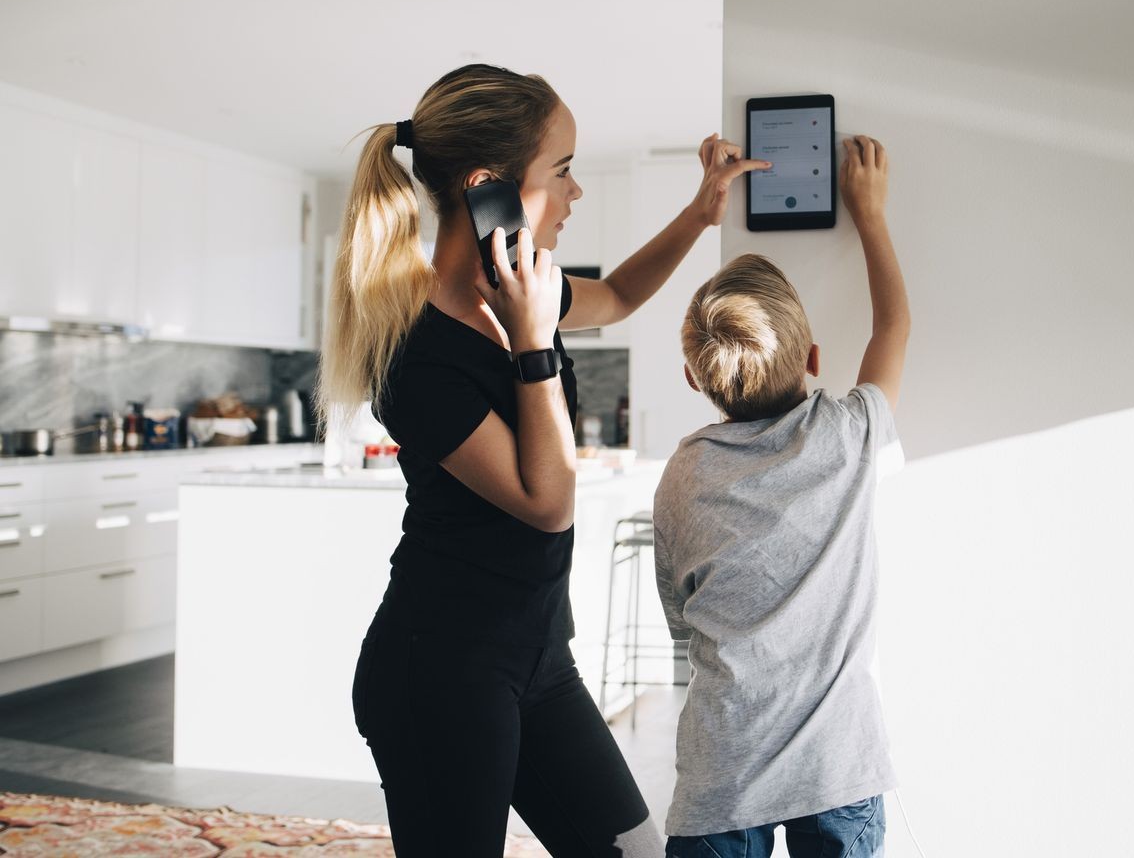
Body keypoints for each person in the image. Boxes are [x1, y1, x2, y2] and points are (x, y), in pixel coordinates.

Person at [318, 63, 767, 857]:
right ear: (490, 188)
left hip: (536, 660)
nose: (574, 193)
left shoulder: (527, 288)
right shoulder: (416, 356)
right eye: (560, 171)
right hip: (440, 672)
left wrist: (701, 214)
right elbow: (547, 499)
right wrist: (531, 343)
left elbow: (623, 293)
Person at [652, 135, 910, 857]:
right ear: (815, 360)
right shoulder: (848, 434)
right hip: (838, 772)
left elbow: (680, 617)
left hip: (721, 779)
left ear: (694, 382)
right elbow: (895, 327)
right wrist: (871, 214)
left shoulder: (684, 472)